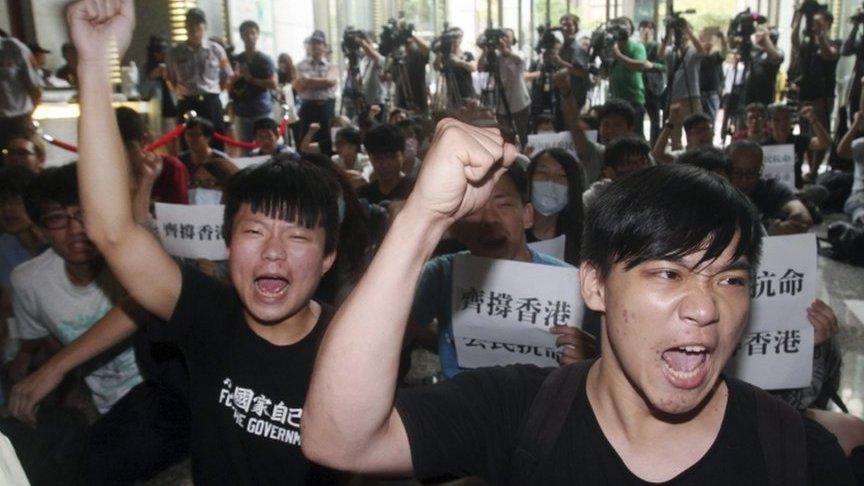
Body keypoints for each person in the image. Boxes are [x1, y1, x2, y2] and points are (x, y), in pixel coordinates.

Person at [301, 122, 854, 484]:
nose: (705, 308)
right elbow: (340, 438)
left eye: (729, 280)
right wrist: (423, 218)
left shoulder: (797, 457)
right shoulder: (520, 412)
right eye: (668, 272)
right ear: (594, 285)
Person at [70, 2, 345, 481]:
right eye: (254, 231)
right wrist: (94, 63)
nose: (273, 251)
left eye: (297, 235)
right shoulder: (207, 314)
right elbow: (111, 232)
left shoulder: (349, 346)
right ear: (227, 244)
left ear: (328, 258)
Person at [407, 163, 592, 379]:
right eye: (473, 209)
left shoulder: (571, 283)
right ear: (455, 226)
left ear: (528, 215)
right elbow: (394, 335)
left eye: (503, 205)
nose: (489, 219)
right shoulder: (442, 275)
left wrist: (589, 362)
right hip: (462, 406)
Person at [166, 8, 233, 150]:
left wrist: (213, 92)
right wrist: (182, 93)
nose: (194, 27)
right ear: (185, 27)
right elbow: (171, 79)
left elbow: (226, 76)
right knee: (188, 145)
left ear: (205, 26)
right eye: (190, 24)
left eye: (198, 23)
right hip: (187, 103)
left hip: (211, 102)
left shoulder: (216, 50)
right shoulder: (175, 53)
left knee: (216, 143)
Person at [727, 140, 814, 235]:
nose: (744, 180)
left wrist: (777, 229)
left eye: (751, 173)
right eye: (737, 173)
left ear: (760, 169)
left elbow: (803, 218)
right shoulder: (717, 192)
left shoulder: (773, 189)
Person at [115, 106, 189, 205]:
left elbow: (179, 215)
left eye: (128, 148)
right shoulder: (103, 172)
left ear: (143, 141)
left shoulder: (170, 169)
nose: (122, 157)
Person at [525, 148, 585, 266]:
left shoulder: (584, 242)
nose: (550, 181)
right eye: (542, 173)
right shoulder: (509, 232)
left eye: (562, 175)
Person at [477, 28, 531, 146]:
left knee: (524, 137)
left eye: (507, 36)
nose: (503, 39)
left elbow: (519, 61)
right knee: (507, 138)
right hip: (501, 105)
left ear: (513, 39)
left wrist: (504, 50)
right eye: (501, 37)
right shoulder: (496, 57)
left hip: (519, 103)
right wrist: (485, 50)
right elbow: (480, 68)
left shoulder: (518, 53)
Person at [230, 20, 277, 148]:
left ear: (257, 35)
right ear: (241, 36)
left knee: (266, 146)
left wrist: (250, 79)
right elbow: (228, 84)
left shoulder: (265, 60)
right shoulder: (236, 60)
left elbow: (274, 84)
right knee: (245, 148)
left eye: (253, 33)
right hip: (241, 111)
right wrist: (235, 78)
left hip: (261, 109)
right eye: (246, 34)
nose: (250, 37)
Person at [763, 103, 831, 188]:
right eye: (777, 120)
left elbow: (825, 143)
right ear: (769, 123)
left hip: (796, 191)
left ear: (790, 121)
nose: (782, 123)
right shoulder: (763, 146)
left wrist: (812, 119)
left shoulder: (799, 140)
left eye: (785, 119)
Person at [662, 19, 706, 150]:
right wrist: (668, 33)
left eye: (685, 32)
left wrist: (688, 30)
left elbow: (702, 50)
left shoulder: (692, 52)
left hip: (691, 97)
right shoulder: (672, 52)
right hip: (674, 98)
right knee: (675, 135)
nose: (682, 35)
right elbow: (660, 54)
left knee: (695, 132)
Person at [294, 30, 338, 156]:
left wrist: (309, 80)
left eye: (319, 43)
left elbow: (330, 81)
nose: (315, 46)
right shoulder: (300, 65)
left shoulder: (331, 66)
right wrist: (322, 82)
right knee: (305, 139)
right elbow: (299, 87)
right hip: (308, 106)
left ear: (324, 47)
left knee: (328, 139)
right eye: (313, 43)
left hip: (326, 106)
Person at [583, 136, 652, 209]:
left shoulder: (654, 191)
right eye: (627, 163)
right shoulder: (597, 195)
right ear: (609, 170)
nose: (638, 167)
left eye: (642, 161)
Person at [607, 17, 648, 137]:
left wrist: (618, 55)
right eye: (618, 25)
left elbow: (641, 65)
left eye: (625, 25)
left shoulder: (636, 46)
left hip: (633, 99)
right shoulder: (613, 47)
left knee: (635, 134)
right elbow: (605, 73)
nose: (621, 28)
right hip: (616, 98)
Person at [0, 35, 42, 149]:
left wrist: (29, 116)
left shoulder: (13, 48)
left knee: (21, 161)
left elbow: (36, 86)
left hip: (18, 120)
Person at [356, 124, 413, 204]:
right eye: (378, 158)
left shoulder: (415, 190)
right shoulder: (363, 195)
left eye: (392, 157)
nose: (385, 165)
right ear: (370, 157)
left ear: (403, 155)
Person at [554, 13, 591, 117]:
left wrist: (560, 62)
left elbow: (581, 71)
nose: (565, 28)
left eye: (569, 25)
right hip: (563, 94)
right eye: (563, 25)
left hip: (575, 95)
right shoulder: (564, 46)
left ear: (575, 27)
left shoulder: (578, 46)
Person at [741, 24, 784, 107]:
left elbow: (775, 58)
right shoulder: (755, 51)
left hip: (765, 100)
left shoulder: (778, 52)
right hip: (748, 99)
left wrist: (766, 37)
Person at [639, 20, 667, 143]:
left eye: (650, 28)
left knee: (655, 121)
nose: (647, 30)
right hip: (639, 88)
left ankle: (654, 146)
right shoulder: (637, 46)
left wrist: (652, 65)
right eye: (644, 27)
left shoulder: (656, 46)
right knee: (637, 120)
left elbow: (664, 67)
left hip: (653, 89)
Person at [394, 33, 430, 114]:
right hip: (402, 104)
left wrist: (412, 35)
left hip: (418, 103)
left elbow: (427, 49)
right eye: (405, 43)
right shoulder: (402, 58)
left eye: (409, 43)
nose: (407, 45)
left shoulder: (418, 55)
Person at [699, 30, 726, 122]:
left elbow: (724, 51)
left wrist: (722, 37)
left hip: (712, 94)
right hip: (699, 94)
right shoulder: (697, 56)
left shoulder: (715, 56)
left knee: (711, 122)